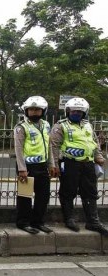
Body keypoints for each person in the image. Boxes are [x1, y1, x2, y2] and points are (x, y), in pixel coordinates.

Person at [50, 97, 108, 236]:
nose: (76, 113)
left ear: (84, 113)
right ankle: (69, 219)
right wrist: (54, 164)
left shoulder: (88, 125)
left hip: (88, 163)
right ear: (68, 111)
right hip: (69, 163)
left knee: (90, 192)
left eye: (79, 112)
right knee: (68, 191)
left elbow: (94, 143)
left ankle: (93, 222)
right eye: (73, 111)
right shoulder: (60, 125)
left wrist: (98, 157)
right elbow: (53, 146)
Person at [14, 96, 54, 234]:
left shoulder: (46, 125)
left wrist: (51, 164)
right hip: (27, 167)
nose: (34, 112)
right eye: (31, 109)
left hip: (42, 166)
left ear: (43, 111)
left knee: (43, 196)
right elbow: (18, 149)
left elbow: (49, 146)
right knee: (25, 196)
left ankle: (38, 222)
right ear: (26, 111)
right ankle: (23, 222)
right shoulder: (21, 127)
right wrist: (22, 169)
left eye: (38, 110)